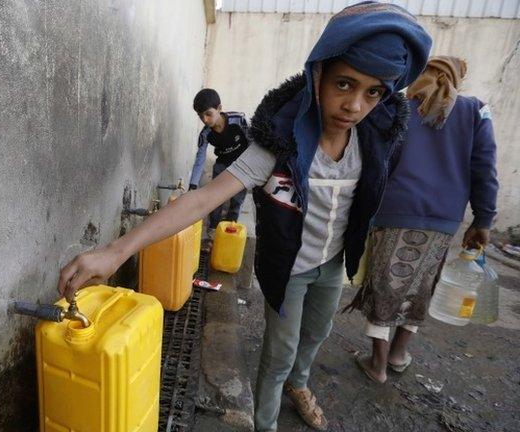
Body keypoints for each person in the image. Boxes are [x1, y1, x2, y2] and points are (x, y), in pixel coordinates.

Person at [57, 2, 431, 430]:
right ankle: (266, 422)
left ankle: (301, 384)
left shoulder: (375, 142)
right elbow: (200, 202)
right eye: (344, 84)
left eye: (372, 92)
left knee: (316, 336)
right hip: (289, 269)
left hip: (331, 266)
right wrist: (115, 251)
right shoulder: (279, 144)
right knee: (279, 354)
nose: (354, 105)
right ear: (318, 76)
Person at [346, 56, 499, 384]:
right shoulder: (476, 111)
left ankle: (378, 364)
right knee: (419, 287)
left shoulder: (398, 106)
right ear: (456, 78)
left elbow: (375, 158)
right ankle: (399, 355)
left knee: (384, 286)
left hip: (394, 211)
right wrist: (482, 219)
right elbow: (484, 167)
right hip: (443, 219)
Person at [189, 89, 250, 238]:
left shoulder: (238, 120)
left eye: (208, 114)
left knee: (237, 200)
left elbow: (251, 142)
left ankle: (230, 231)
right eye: (200, 116)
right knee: (215, 200)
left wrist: (252, 170)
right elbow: (200, 159)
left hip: (241, 166)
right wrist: (192, 185)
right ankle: (213, 230)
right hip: (222, 166)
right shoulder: (205, 134)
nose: (205, 120)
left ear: (219, 108)